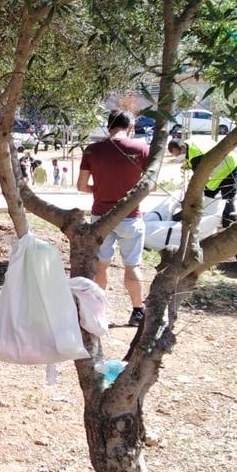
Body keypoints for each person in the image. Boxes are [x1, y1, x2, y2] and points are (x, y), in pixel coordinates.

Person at [78, 109, 148, 327]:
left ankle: (99, 313)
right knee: (132, 265)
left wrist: (99, 190)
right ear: (130, 128)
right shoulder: (142, 149)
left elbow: (81, 186)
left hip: (101, 217)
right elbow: (150, 186)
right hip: (131, 217)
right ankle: (137, 311)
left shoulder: (92, 150)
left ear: (109, 127)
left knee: (100, 266)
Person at [167, 138, 237, 225]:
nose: (178, 157)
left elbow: (198, 180)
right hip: (216, 168)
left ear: (183, 147)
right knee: (207, 196)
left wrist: (189, 200)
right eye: (175, 155)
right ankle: (202, 220)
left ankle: (228, 225)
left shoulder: (196, 156)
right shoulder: (188, 145)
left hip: (230, 165)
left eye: (178, 154)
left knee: (228, 198)